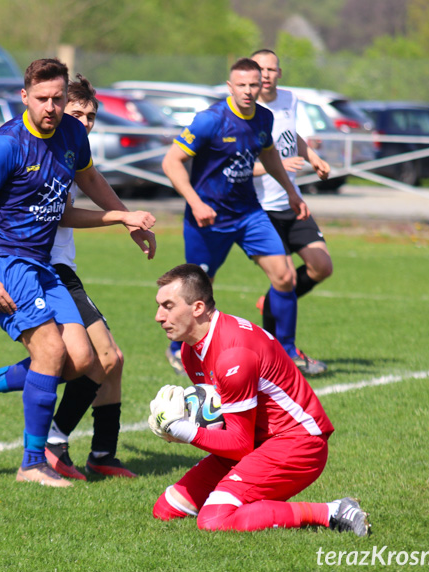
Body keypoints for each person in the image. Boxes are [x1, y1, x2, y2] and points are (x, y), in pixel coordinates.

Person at [0, 59, 155, 487]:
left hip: (43, 263)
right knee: (50, 350)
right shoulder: (8, 144)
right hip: (7, 261)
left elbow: (91, 177)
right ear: (24, 97)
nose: (51, 107)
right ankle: (32, 462)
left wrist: (125, 216)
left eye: (58, 99)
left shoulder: (72, 134)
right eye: (42, 99)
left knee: (82, 361)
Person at [148, 263, 370, 536]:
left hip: (297, 442)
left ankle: (333, 511)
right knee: (166, 509)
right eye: (159, 306)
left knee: (214, 519)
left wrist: (183, 430)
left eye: (168, 306)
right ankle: (251, 499)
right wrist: (184, 422)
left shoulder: (233, 354)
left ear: (197, 308)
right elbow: (225, 421)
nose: (159, 316)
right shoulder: (190, 351)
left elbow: (239, 444)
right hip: (257, 439)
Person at [161, 57, 311, 377]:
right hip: (208, 219)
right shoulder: (209, 120)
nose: (247, 91)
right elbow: (171, 162)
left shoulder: (264, 118)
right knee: (197, 290)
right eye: (241, 85)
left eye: (253, 85)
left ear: (262, 86)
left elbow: (269, 154)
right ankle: (177, 348)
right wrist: (196, 202)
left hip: (248, 213)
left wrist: (292, 193)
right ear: (230, 86)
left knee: (285, 276)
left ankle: (286, 351)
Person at [250, 49, 333, 375]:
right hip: (260, 209)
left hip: (291, 201)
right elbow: (236, 163)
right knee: (282, 277)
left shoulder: (289, 99)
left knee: (321, 266)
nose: (266, 74)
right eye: (260, 69)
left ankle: (272, 302)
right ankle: (287, 351)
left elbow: (290, 135)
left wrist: (311, 156)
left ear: (279, 73)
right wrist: (275, 166)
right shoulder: (245, 111)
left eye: (272, 69)